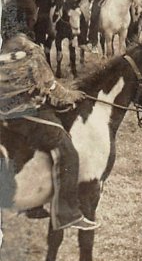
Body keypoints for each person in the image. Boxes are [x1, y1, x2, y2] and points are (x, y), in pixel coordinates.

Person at [0, 33, 98, 230]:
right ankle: (68, 214)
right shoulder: (27, 47)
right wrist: (71, 95)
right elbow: (50, 84)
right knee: (67, 150)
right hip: (21, 114)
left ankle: (33, 204)